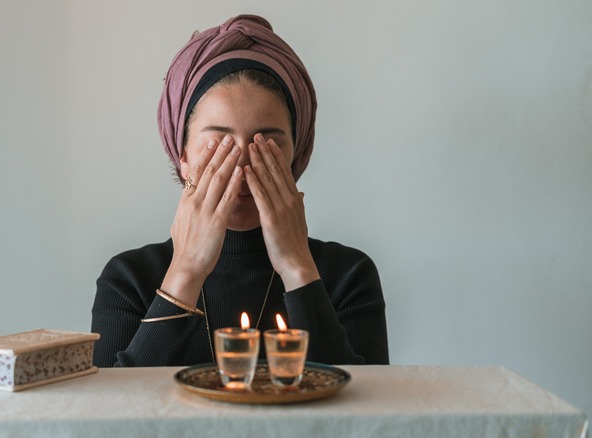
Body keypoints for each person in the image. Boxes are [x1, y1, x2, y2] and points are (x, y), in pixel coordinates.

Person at [91, 14, 388, 367]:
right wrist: (186, 270)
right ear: (182, 157)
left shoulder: (348, 276)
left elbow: (364, 414)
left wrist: (296, 268)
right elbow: (111, 415)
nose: (243, 166)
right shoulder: (128, 279)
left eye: (267, 144)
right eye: (219, 144)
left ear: (296, 154)